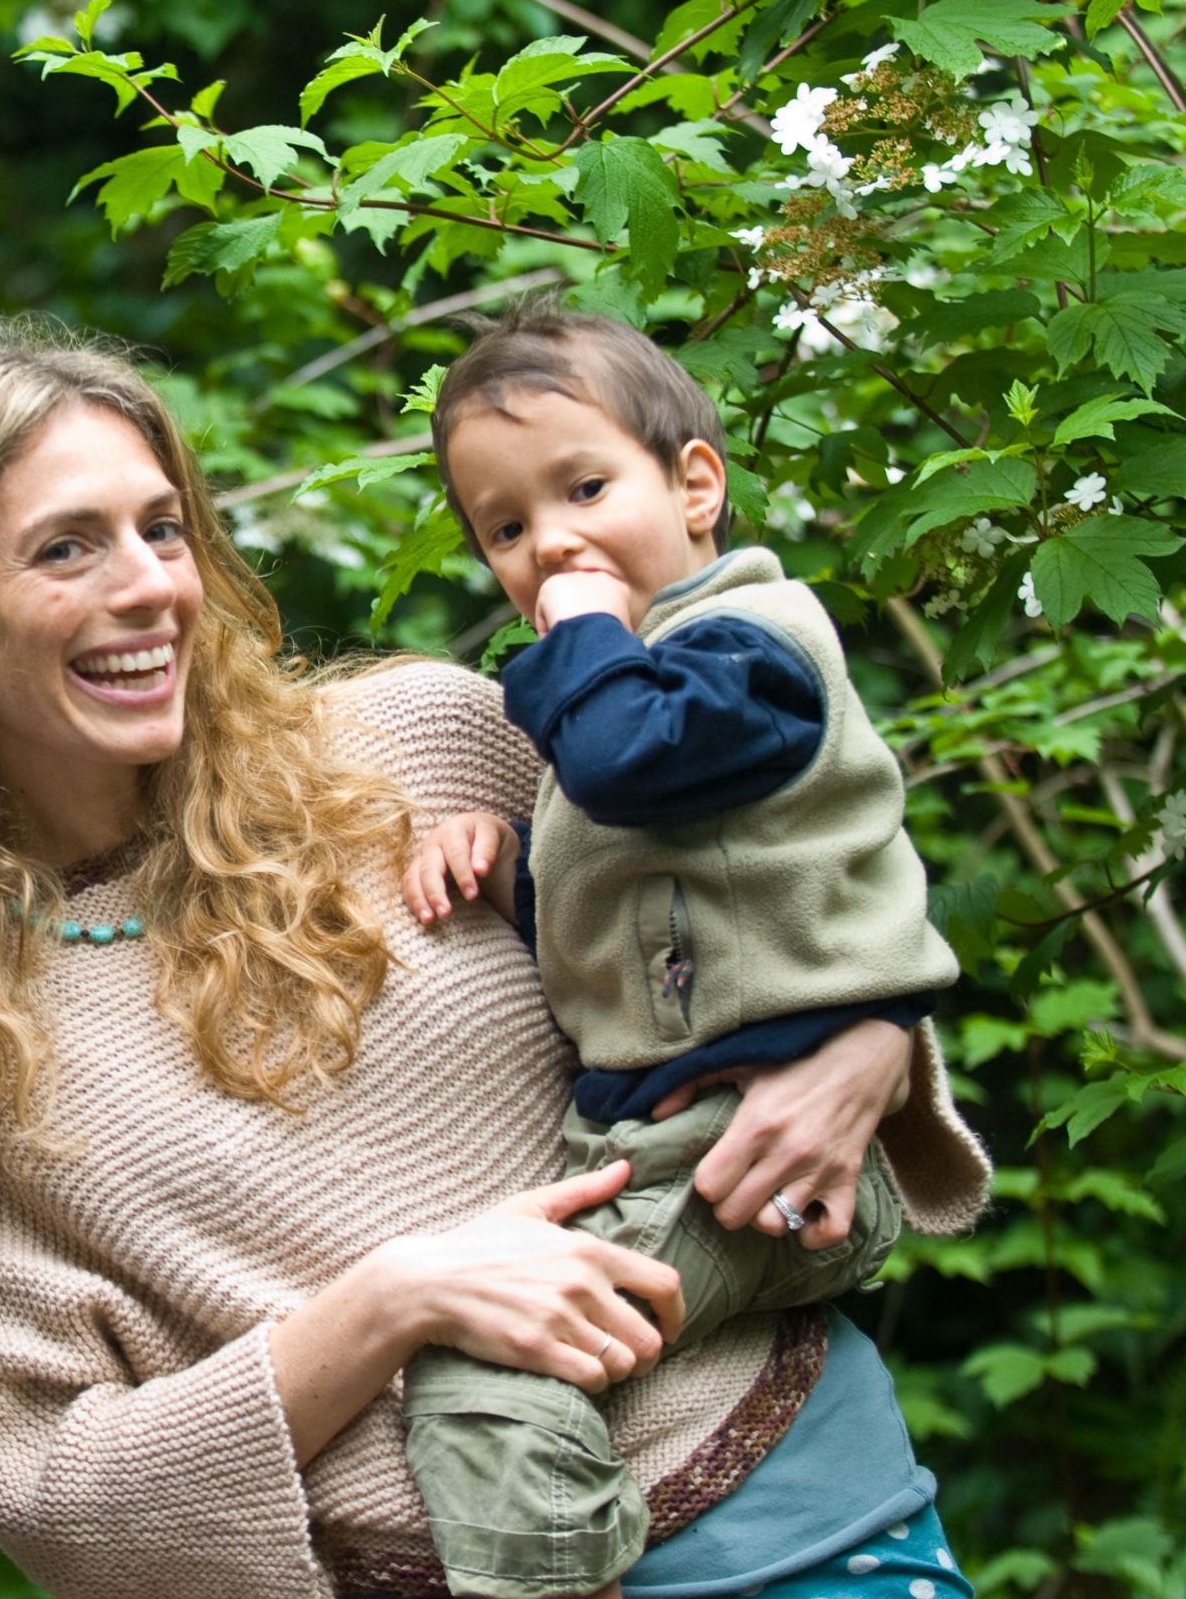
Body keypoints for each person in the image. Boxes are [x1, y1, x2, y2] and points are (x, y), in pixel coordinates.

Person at [0, 326, 992, 1599]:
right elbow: (61, 1494)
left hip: (804, 1525)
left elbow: (762, 900)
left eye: (165, 528)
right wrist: (391, 1303)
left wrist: (873, 1041)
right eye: (66, 546)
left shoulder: (423, 741)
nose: (151, 585)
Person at [388, 302, 963, 1599]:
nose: (554, 544)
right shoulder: (630, 696)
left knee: (492, 1369)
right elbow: (652, 931)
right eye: (508, 528)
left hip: (757, 1151)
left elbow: (633, 765)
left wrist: (580, 630)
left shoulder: (752, 649)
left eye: (585, 487)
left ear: (696, 483)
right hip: (678, 1140)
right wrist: (507, 861)